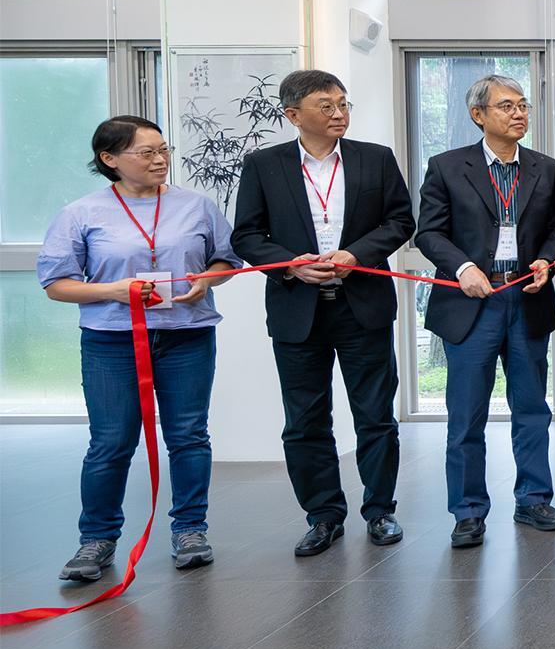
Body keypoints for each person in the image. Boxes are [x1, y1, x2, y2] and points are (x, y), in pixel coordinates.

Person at [39, 116, 238, 581]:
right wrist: (112, 291)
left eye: (163, 150)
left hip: (186, 334)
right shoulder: (81, 213)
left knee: (189, 435)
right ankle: (97, 540)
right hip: (112, 341)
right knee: (111, 441)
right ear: (110, 160)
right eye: (146, 153)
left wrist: (208, 279)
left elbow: (226, 258)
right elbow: (56, 284)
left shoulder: (197, 205)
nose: (160, 160)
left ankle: (191, 530)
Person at [233, 70, 414, 557]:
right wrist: (288, 266)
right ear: (293, 115)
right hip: (298, 310)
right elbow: (246, 235)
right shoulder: (264, 165)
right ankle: (323, 515)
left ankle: (380, 510)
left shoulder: (374, 159)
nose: (340, 114)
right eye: (326, 105)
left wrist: (358, 254)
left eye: (343, 104)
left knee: (375, 416)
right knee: (305, 420)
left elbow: (401, 220)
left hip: (363, 307)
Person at [414, 74, 555, 548]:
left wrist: (546, 258)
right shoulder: (446, 167)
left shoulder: (547, 168)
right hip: (471, 302)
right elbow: (429, 233)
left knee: (531, 407)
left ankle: (534, 498)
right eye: (506, 106)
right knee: (466, 416)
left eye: (523, 106)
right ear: (479, 115)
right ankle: (468, 510)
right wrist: (461, 267)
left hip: (526, 299)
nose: (518, 114)